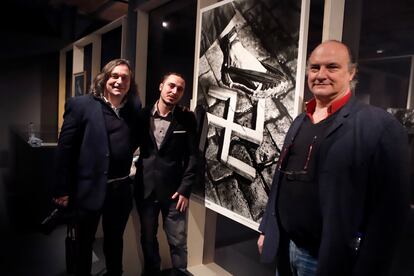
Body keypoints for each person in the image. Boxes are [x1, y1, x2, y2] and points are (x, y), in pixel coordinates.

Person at [257, 40, 410, 276]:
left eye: (332, 67)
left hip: (329, 260)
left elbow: (389, 215)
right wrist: (268, 228)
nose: (321, 74)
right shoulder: (300, 121)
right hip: (286, 248)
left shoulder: (380, 127)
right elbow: (280, 180)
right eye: (315, 68)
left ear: (351, 72)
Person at [53, 59, 141, 276]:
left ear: (130, 83)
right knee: (84, 243)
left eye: (125, 78)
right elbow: (64, 150)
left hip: (120, 192)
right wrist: (61, 189)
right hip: (88, 190)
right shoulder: (81, 105)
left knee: (114, 241)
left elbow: (136, 140)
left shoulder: (133, 108)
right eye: (115, 76)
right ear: (104, 79)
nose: (119, 81)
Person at [134, 72, 198, 276]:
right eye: (171, 86)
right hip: (145, 190)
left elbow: (193, 156)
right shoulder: (142, 116)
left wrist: (185, 189)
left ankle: (179, 273)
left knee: (178, 241)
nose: (174, 91)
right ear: (161, 86)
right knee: (147, 239)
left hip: (174, 194)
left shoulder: (187, 118)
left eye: (179, 89)